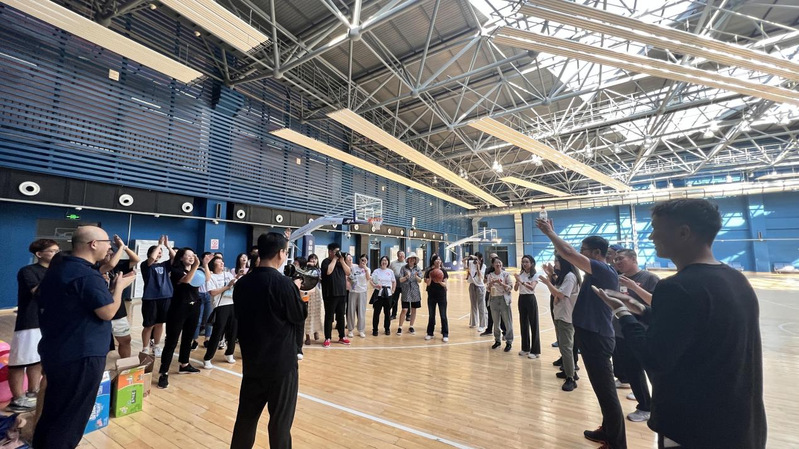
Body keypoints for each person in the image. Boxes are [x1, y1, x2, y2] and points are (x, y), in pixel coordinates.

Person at [594, 199, 766, 449]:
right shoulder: (735, 278)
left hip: (694, 426)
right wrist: (640, 310)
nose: (651, 236)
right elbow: (690, 326)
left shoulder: (677, 287)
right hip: (740, 422)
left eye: (656, 228)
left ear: (684, 233)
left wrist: (621, 312)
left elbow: (654, 358)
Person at [34, 226, 136, 448]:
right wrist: (119, 288)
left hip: (58, 349)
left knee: (54, 411)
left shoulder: (61, 268)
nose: (109, 247)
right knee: (70, 419)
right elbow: (107, 312)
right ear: (93, 244)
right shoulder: (86, 275)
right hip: (81, 355)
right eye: (107, 243)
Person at [536, 219, 625, 449]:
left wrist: (550, 232)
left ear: (596, 253)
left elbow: (568, 253)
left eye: (584, 250)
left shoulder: (604, 270)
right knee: (601, 391)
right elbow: (567, 254)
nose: (580, 253)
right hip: (590, 335)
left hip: (597, 337)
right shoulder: (596, 272)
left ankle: (616, 443)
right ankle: (607, 429)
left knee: (607, 393)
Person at [231, 232, 306, 448]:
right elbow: (298, 316)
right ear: (281, 253)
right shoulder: (284, 285)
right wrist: (296, 291)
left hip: (253, 363)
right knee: (280, 425)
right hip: (281, 366)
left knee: (245, 420)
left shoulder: (242, 284)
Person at [7, 239, 58, 412]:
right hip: (30, 322)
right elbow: (38, 292)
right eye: (52, 251)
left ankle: (33, 392)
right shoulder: (28, 271)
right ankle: (17, 398)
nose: (56, 254)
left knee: (37, 360)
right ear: (39, 254)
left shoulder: (56, 271)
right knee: (20, 362)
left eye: (57, 250)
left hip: (48, 321)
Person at [613, 249, 659, 422]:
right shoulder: (617, 278)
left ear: (633, 259)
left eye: (620, 258)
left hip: (644, 333)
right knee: (633, 372)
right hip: (622, 331)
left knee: (653, 372)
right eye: (615, 259)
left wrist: (634, 287)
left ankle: (662, 406)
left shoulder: (649, 278)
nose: (617, 262)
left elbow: (657, 303)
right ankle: (645, 406)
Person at [157, 247, 202, 389]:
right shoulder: (176, 270)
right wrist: (196, 266)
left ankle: (184, 364)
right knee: (172, 341)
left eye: (193, 255)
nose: (191, 257)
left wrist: (205, 265)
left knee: (188, 338)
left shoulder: (195, 270)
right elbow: (187, 280)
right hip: (178, 308)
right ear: (181, 258)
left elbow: (206, 279)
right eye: (188, 255)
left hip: (194, 306)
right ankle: (163, 372)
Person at [540, 254, 581, 392]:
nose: (555, 263)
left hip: (566, 316)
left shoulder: (570, 277)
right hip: (560, 314)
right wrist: (551, 277)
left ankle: (571, 378)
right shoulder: (564, 276)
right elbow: (557, 292)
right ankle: (569, 371)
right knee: (564, 347)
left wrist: (547, 283)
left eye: (556, 261)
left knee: (566, 348)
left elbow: (560, 294)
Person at [97, 234, 141, 359]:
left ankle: (125, 364)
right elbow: (110, 265)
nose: (110, 255)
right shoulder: (95, 268)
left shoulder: (117, 267)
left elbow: (136, 259)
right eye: (107, 253)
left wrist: (124, 247)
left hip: (118, 311)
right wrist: (121, 247)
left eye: (112, 254)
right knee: (102, 344)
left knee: (126, 340)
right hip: (101, 312)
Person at [202, 256, 240, 369]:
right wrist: (227, 286)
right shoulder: (211, 277)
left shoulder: (228, 274)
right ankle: (208, 358)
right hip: (220, 306)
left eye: (222, 262)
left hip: (233, 304)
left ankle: (229, 353)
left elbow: (235, 284)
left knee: (233, 331)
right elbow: (213, 292)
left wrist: (237, 277)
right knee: (217, 332)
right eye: (219, 263)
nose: (222, 264)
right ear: (213, 266)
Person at [140, 235, 176, 356]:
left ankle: (156, 346)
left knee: (160, 323)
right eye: (157, 252)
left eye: (161, 253)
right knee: (149, 325)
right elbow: (152, 258)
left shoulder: (165, 265)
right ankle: (145, 348)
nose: (159, 254)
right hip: (150, 298)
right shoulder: (145, 265)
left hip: (165, 297)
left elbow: (175, 258)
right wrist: (159, 244)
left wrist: (167, 246)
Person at [320, 243, 351, 347]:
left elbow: (348, 272)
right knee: (329, 316)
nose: (338, 253)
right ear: (330, 252)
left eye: (338, 251)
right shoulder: (325, 262)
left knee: (341, 316)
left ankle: (342, 336)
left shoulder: (340, 262)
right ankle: (327, 337)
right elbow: (328, 271)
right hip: (330, 294)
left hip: (341, 293)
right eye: (335, 252)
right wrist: (334, 259)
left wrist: (342, 261)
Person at [486, 257, 514, 352]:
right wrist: (491, 283)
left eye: (500, 262)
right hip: (493, 299)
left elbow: (510, 287)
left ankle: (509, 341)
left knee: (507, 321)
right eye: (496, 263)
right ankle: (497, 340)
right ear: (493, 265)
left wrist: (501, 284)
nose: (498, 264)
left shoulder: (506, 274)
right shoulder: (490, 275)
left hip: (504, 299)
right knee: (496, 322)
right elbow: (488, 289)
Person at [514, 255, 540, 358]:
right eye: (523, 262)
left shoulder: (534, 275)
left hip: (530, 298)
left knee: (533, 324)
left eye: (526, 262)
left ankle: (535, 351)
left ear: (532, 263)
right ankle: (525, 348)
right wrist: (517, 282)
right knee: (523, 323)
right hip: (522, 298)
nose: (524, 264)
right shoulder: (521, 274)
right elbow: (516, 289)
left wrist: (521, 281)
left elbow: (532, 288)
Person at [424, 254, 449, 342]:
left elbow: (445, 285)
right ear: (433, 261)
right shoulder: (429, 271)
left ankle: (445, 334)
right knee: (431, 315)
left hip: (442, 296)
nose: (438, 261)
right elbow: (428, 283)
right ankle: (430, 333)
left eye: (439, 259)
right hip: (431, 296)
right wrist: (431, 277)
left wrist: (439, 281)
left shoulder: (443, 271)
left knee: (443, 315)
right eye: (436, 259)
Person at [192, 252, 215, 350]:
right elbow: (207, 278)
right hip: (199, 295)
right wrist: (205, 264)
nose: (209, 258)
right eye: (207, 257)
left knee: (209, 319)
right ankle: (195, 340)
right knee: (198, 319)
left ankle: (207, 339)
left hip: (209, 295)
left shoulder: (214, 270)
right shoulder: (198, 269)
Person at [396, 253, 423, 335]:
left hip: (415, 291)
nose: (412, 260)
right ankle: (400, 327)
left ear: (415, 260)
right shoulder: (403, 268)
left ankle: (411, 326)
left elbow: (420, 280)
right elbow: (400, 280)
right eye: (410, 258)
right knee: (404, 309)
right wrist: (406, 277)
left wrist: (416, 277)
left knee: (414, 309)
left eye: (413, 259)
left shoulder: (417, 268)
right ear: (408, 259)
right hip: (406, 291)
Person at [480, 252, 505, 337]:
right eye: (491, 258)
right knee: (489, 311)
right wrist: (488, 280)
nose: (493, 259)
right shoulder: (488, 270)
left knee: (501, 314)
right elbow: (484, 281)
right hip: (490, 293)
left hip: (500, 294)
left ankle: (504, 332)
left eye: (495, 258)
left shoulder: (503, 270)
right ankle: (489, 329)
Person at [371, 256, 396, 336]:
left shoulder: (390, 271)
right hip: (379, 294)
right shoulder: (376, 271)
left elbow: (394, 281)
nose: (384, 262)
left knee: (387, 313)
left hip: (388, 294)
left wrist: (393, 290)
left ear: (388, 262)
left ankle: (387, 328)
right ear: (380, 262)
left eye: (386, 260)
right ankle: (375, 329)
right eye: (383, 260)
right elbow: (372, 280)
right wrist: (374, 286)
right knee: (376, 312)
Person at [347, 254, 371, 338]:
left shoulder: (367, 269)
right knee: (351, 311)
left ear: (367, 261)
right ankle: (350, 330)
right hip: (353, 291)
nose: (363, 262)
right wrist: (351, 280)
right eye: (362, 260)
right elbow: (349, 277)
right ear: (359, 260)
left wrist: (365, 268)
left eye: (365, 260)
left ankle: (361, 330)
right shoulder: (354, 268)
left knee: (361, 311)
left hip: (362, 292)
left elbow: (368, 278)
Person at [304, 254, 323, 345]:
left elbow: (320, 279)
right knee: (307, 314)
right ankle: (307, 336)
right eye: (311, 259)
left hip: (317, 292)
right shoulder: (305, 269)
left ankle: (316, 331)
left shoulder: (318, 270)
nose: (313, 261)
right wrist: (307, 267)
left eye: (315, 259)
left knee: (316, 313)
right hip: (307, 292)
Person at [466, 252, 487, 332]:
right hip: (472, 285)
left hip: (480, 287)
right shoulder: (471, 263)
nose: (476, 260)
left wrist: (478, 267)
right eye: (475, 258)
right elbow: (463, 261)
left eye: (477, 258)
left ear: (481, 258)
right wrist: (469, 257)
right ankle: (474, 322)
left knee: (481, 306)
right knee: (473, 305)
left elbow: (480, 276)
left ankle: (482, 325)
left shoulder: (483, 266)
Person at [389, 251, 406, 319]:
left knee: (406, 300)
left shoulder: (407, 263)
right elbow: (389, 272)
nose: (401, 256)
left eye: (403, 255)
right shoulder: (393, 263)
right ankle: (393, 314)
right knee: (394, 300)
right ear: (397, 255)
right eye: (400, 255)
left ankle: (407, 315)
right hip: (396, 284)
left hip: (405, 285)